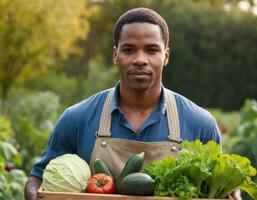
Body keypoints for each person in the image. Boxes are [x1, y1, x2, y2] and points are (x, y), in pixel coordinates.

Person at [25, 7, 239, 200]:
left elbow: (223, 190)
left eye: (152, 50)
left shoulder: (200, 123)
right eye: (129, 50)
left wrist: (231, 191)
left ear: (166, 56)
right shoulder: (76, 119)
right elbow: (37, 181)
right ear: (115, 55)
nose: (140, 59)